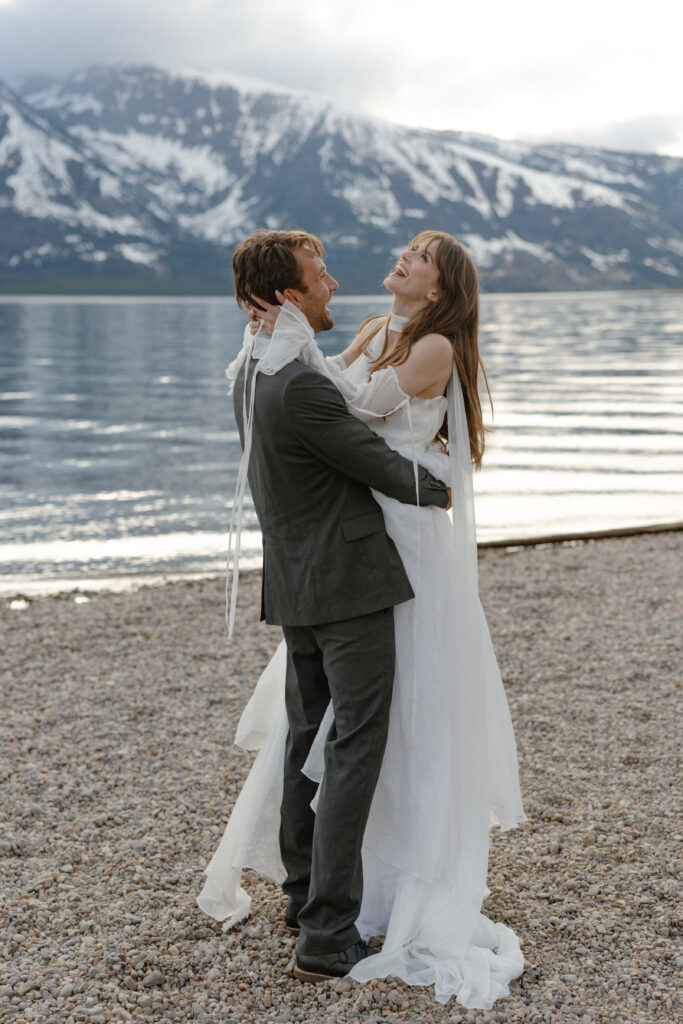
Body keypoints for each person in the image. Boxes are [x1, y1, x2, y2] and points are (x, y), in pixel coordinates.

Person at [198, 229, 527, 1009]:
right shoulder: (310, 370)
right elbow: (367, 449)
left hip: (323, 567)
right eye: (320, 275)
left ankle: (316, 893)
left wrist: (292, 345)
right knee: (352, 740)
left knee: (317, 729)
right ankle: (326, 928)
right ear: (286, 297)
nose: (336, 283)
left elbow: (353, 418)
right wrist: (438, 486)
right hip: (353, 567)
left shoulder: (264, 365)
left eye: (417, 256)